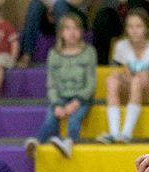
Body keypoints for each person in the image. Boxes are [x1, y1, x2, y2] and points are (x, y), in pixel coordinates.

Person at [23, 12, 95, 158]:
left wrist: (76, 102)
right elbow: (52, 84)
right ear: (61, 32)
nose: (72, 33)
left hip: (81, 98)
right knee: (51, 118)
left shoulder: (89, 52)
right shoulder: (54, 54)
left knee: (74, 119)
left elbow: (90, 83)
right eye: (67, 28)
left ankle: (68, 142)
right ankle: (36, 143)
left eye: (76, 28)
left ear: (81, 31)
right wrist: (56, 104)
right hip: (61, 96)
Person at [97, 8, 149, 143]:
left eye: (139, 26)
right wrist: (120, 77)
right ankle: (114, 133)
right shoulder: (121, 46)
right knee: (112, 80)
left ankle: (127, 133)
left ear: (146, 28)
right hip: (134, 88)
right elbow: (127, 75)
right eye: (130, 26)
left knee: (137, 81)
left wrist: (140, 77)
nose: (134, 30)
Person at [15, 0, 93, 68]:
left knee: (60, 5)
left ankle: (63, 54)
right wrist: (51, 8)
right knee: (35, 3)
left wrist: (57, 5)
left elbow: (78, 2)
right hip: (50, 12)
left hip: (74, 14)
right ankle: (27, 54)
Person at [92, 0, 149, 65]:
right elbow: (106, 5)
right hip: (117, 18)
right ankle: (102, 67)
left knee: (134, 4)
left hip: (143, 11)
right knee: (103, 17)